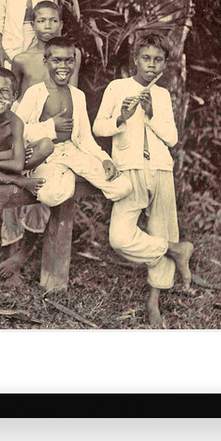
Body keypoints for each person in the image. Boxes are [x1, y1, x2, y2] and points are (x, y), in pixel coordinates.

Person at [93, 32, 194, 327]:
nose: (151, 65)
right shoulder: (117, 87)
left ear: (164, 66)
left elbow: (172, 138)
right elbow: (99, 128)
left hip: (160, 169)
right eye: (146, 58)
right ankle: (176, 250)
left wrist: (150, 114)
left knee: (162, 226)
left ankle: (153, 301)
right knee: (120, 237)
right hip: (129, 169)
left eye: (157, 60)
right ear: (135, 59)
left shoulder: (161, 94)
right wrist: (121, 118)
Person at [15, 35, 132, 232]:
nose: (63, 66)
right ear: (46, 62)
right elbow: (17, 129)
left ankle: (69, 171)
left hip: (73, 152)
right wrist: (51, 126)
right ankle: (66, 174)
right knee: (50, 196)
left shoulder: (78, 96)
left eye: (69, 60)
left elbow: (85, 136)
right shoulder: (35, 92)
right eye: (56, 60)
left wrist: (104, 159)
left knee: (123, 187)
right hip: (46, 157)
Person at [0, 0, 71, 282]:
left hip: (54, 135)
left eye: (53, 20)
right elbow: (13, 98)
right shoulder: (22, 59)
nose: (48, 26)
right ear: (33, 25)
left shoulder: (67, 57)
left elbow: (70, 96)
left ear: (61, 25)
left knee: (42, 188)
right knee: (13, 188)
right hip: (25, 130)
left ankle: (24, 253)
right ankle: (12, 251)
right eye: (41, 21)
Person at [0, 67, 52, 192]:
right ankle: (17, 180)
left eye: (5, 91)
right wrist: (5, 155)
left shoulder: (16, 122)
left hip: (6, 166)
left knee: (47, 145)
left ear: (14, 96)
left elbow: (17, 166)